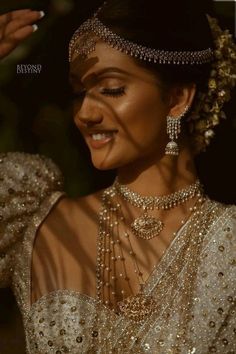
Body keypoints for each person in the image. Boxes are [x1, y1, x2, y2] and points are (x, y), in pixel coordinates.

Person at [0, 0, 236, 353]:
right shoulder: (39, 220)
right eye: (80, 92)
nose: (85, 113)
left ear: (176, 99)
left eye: (111, 89)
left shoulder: (228, 243)